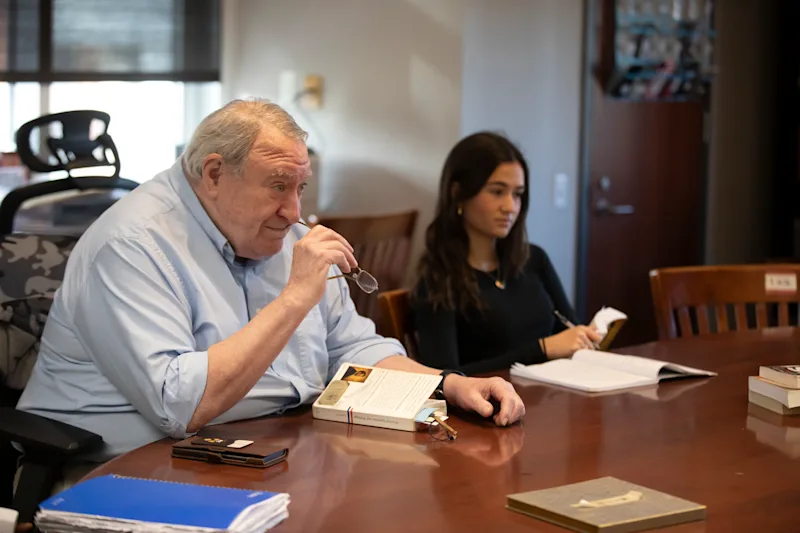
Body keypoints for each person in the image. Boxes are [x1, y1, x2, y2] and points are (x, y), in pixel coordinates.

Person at [16, 100, 525, 481]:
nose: (293, 211)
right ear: (214, 173)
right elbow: (178, 406)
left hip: (268, 451)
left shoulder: (280, 235)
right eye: (278, 185)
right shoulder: (131, 245)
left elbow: (354, 349)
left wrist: (448, 383)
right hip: (127, 470)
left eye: (300, 187)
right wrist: (295, 298)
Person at [412, 132, 601, 375]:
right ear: (457, 192)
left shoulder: (534, 260)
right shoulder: (438, 281)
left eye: (517, 194)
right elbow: (443, 378)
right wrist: (540, 350)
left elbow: (570, 332)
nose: (510, 207)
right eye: (497, 192)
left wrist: (585, 338)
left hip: (555, 395)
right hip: (488, 409)